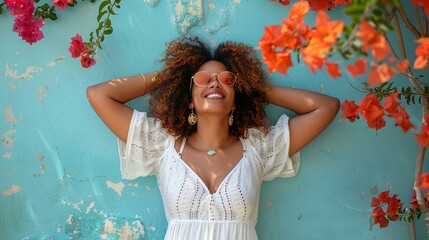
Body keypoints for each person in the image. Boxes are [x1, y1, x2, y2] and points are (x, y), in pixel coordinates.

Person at [86, 37, 340, 240]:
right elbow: (99, 95)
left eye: (228, 79)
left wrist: (254, 86)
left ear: (236, 95)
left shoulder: (259, 149)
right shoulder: (161, 144)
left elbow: (326, 107)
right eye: (203, 79)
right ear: (189, 96)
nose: (215, 84)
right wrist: (174, 76)